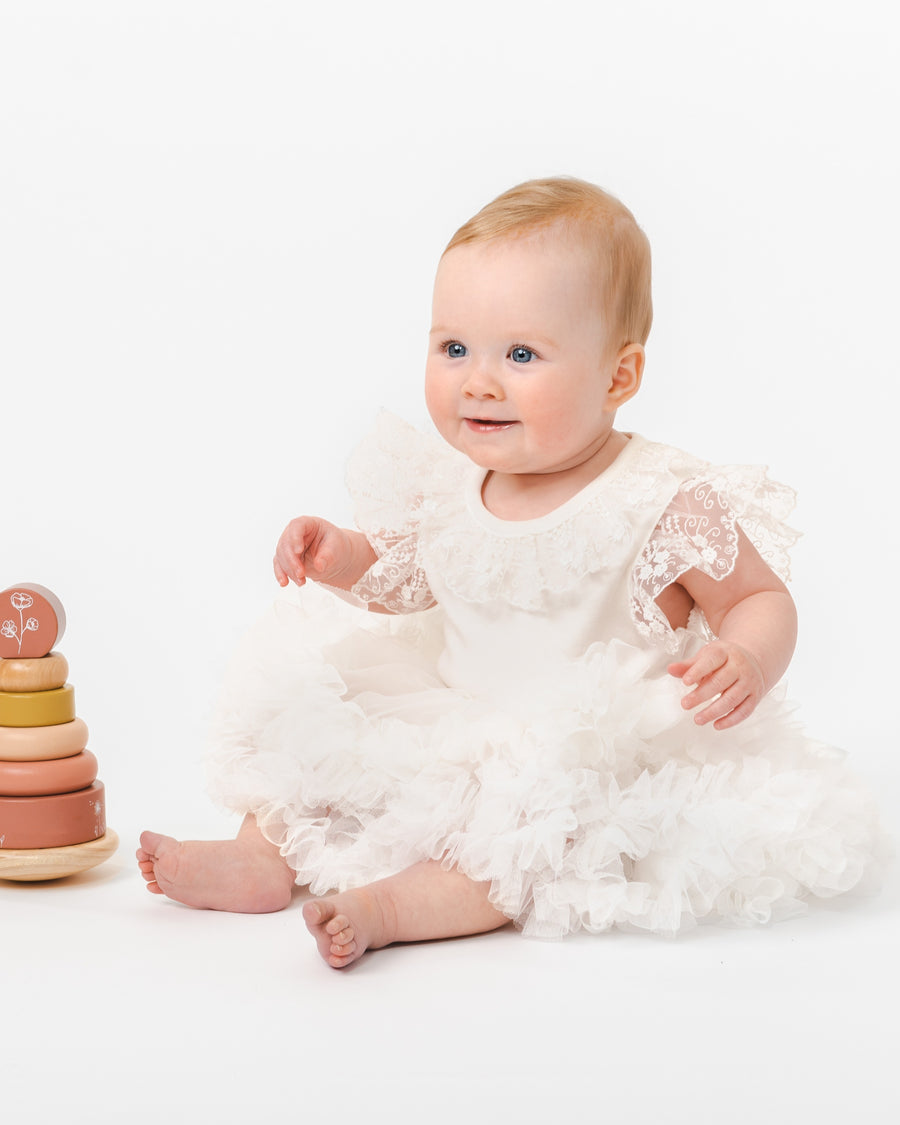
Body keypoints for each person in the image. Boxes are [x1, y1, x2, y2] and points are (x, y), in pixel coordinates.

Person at [137, 177, 885, 968]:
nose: (478, 380)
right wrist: (343, 555)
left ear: (618, 377)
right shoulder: (451, 484)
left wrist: (749, 655)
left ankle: (387, 907)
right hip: (450, 711)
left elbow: (760, 596)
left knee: (522, 841)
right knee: (325, 736)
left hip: (580, 752)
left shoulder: (658, 498)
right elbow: (414, 577)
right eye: (454, 347)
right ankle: (262, 854)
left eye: (521, 354)